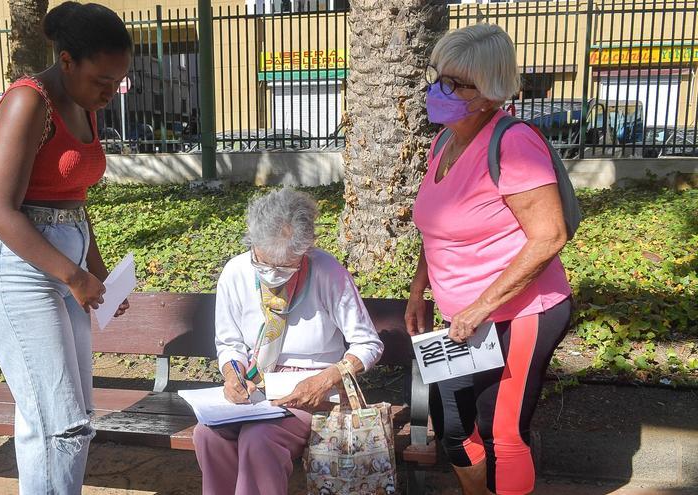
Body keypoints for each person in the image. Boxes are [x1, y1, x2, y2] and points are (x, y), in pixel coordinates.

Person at [0, 3, 132, 493]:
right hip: (18, 269)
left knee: (67, 417)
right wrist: (73, 275)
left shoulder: (84, 105)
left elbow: (74, 198)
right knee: (60, 424)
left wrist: (96, 270)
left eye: (117, 81)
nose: (111, 93)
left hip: (66, 265)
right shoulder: (27, 101)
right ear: (66, 61)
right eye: (102, 80)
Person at [408, 24, 573, 495]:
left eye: (456, 84)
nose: (440, 90)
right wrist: (420, 289)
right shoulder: (443, 142)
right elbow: (437, 226)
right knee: (454, 427)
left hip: (522, 312)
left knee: (502, 432)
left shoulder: (513, 142)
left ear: (490, 92)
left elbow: (549, 236)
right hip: (461, 320)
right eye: (438, 76)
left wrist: (481, 306)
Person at [193, 188, 384, 495]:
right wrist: (232, 374)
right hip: (258, 391)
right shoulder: (236, 273)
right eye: (263, 263)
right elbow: (229, 343)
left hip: (314, 395)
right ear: (252, 245)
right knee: (208, 434)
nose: (273, 274)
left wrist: (325, 380)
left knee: (259, 440)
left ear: (305, 251)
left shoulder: (327, 272)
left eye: (285, 267)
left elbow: (368, 344)